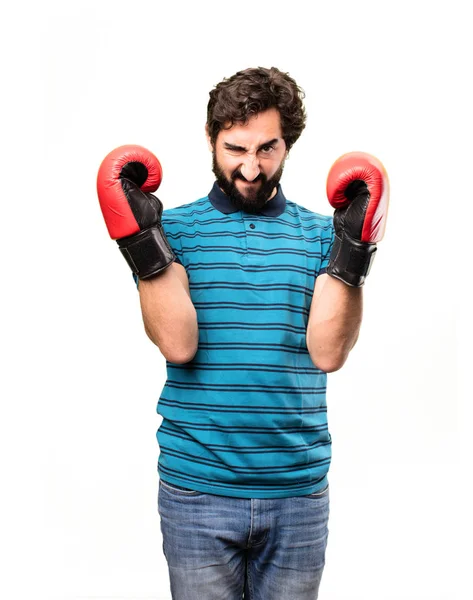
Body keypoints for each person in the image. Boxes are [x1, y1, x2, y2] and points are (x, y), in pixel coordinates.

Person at [97, 66, 389, 600]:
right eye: (235, 148)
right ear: (211, 139)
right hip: (197, 491)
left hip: (297, 495)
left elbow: (328, 353)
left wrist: (353, 252)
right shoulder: (172, 231)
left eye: (267, 150)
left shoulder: (322, 235)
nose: (251, 169)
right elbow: (178, 343)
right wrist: (142, 244)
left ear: (288, 146)